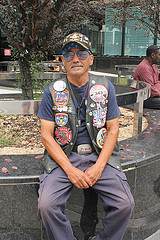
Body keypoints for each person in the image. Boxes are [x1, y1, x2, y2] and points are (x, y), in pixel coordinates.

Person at [37, 32, 134, 240]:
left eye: (82, 53)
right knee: (47, 205)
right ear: (62, 60)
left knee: (125, 204)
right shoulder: (52, 91)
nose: (75, 59)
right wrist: (70, 169)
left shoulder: (105, 87)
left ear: (91, 58)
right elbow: (46, 136)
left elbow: (113, 129)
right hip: (64, 157)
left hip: (99, 156)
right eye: (68, 54)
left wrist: (99, 166)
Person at [133, 45, 160, 109]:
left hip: (154, 96)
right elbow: (151, 90)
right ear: (153, 55)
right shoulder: (144, 68)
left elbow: (158, 80)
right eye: (159, 55)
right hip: (144, 98)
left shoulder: (153, 65)